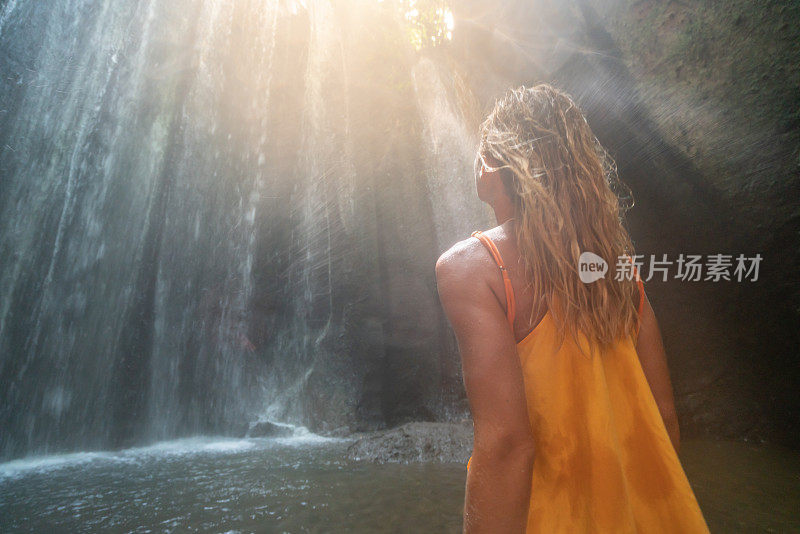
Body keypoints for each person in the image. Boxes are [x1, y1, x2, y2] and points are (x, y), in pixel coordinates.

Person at [435, 83, 710, 533]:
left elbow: (506, 444)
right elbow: (663, 418)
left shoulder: (476, 267)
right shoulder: (619, 273)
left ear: (495, 163)